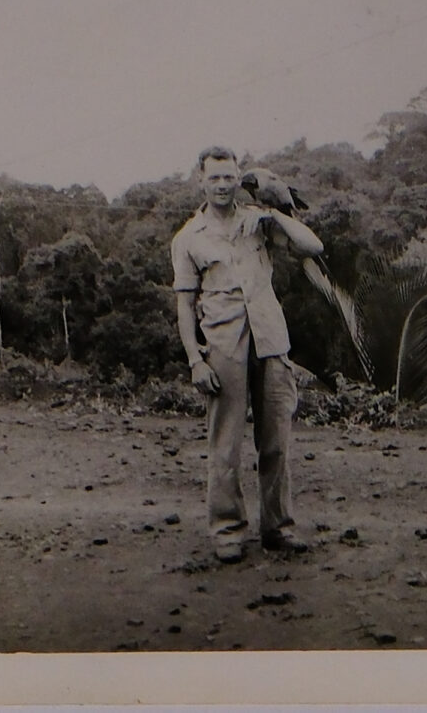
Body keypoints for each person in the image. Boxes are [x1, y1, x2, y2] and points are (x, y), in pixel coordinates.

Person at [171, 146, 324, 563]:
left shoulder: (258, 222)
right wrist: (195, 360)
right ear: (201, 181)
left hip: (270, 341)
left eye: (229, 177)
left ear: (239, 179)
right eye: (214, 178)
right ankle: (227, 530)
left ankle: (278, 527)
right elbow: (184, 304)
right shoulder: (188, 238)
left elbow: (312, 247)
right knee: (225, 445)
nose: (222, 185)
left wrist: (277, 215)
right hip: (223, 346)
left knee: (276, 442)